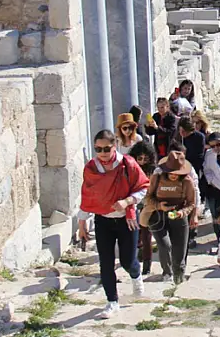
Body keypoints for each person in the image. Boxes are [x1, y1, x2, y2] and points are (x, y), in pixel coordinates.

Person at [77, 130, 149, 319]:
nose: (102, 153)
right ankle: (112, 302)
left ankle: (136, 277)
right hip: (103, 221)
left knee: (127, 260)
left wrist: (126, 202)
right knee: (106, 262)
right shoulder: (92, 168)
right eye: (98, 149)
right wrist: (82, 223)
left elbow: (144, 186)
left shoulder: (127, 164)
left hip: (127, 219)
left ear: (114, 146)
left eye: (106, 149)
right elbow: (88, 194)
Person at [140, 148, 197, 285]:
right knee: (164, 245)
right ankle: (167, 272)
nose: (173, 175)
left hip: (178, 216)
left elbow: (191, 203)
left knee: (179, 252)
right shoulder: (157, 178)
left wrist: (182, 212)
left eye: (177, 173)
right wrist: (160, 206)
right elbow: (147, 198)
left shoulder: (187, 182)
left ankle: (179, 277)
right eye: (171, 172)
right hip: (158, 215)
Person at [129, 141, 157, 276]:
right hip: (133, 203)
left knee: (147, 235)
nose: (142, 162)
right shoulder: (129, 168)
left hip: (147, 203)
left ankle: (147, 264)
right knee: (134, 235)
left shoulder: (153, 171)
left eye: (145, 159)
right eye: (139, 158)